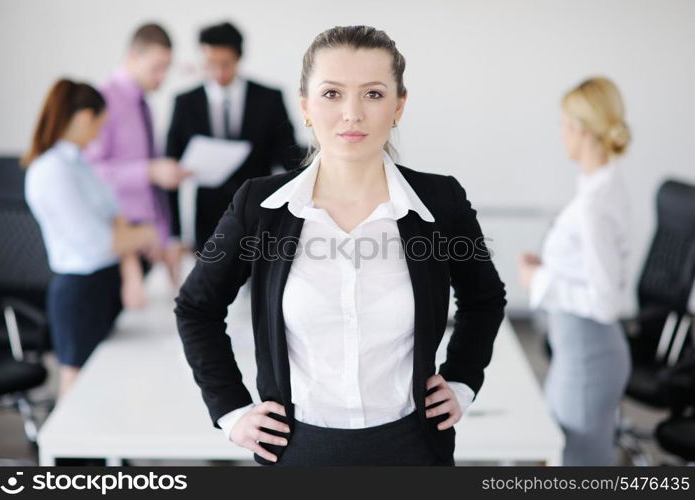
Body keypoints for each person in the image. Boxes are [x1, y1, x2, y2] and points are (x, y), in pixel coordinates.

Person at [174, 25, 507, 466]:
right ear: (305, 107)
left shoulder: (440, 202)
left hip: (413, 450)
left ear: (398, 107)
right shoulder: (259, 206)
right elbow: (197, 307)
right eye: (332, 94)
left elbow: (484, 298)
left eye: (373, 94)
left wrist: (462, 380)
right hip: (297, 453)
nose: (352, 114)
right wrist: (232, 411)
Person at [518, 76, 633, 465]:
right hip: (581, 353)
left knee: (577, 468)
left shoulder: (594, 204)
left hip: (588, 358)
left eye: (565, 123)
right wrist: (551, 266)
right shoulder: (601, 185)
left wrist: (539, 281)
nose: (562, 133)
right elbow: (593, 267)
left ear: (581, 130)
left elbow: (604, 303)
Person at [22, 79, 158, 399]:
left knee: (108, 387)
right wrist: (150, 233)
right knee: (78, 393)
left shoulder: (81, 164)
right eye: (100, 123)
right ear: (85, 117)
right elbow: (98, 241)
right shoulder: (51, 171)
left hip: (103, 283)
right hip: (79, 294)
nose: (100, 133)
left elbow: (116, 216)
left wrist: (130, 259)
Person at [165, 21, 304, 252]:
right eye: (210, 64)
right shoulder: (185, 103)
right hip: (208, 223)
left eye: (225, 64)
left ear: (239, 58)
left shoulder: (269, 99)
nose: (218, 73)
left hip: (260, 217)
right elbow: (170, 168)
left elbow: (290, 159)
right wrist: (174, 234)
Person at [85, 23, 191, 307]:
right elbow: (92, 173)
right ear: (133, 57)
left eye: (167, 67)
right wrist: (150, 171)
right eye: (157, 67)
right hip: (118, 252)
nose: (163, 76)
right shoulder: (103, 100)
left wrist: (165, 237)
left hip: (147, 246)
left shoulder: (142, 104)